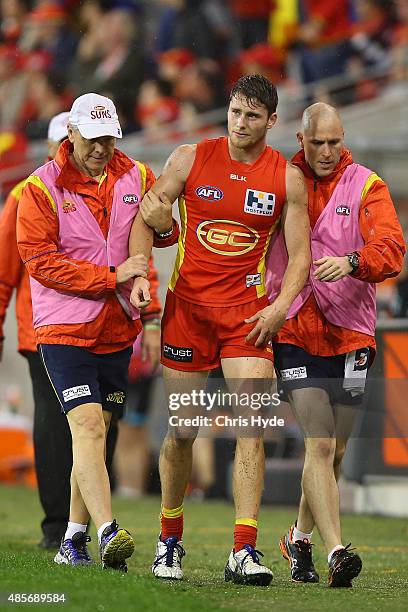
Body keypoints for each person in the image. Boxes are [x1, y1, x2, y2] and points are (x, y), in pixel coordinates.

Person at [132, 74, 311, 584]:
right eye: (235, 111)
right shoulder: (190, 158)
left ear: (272, 122)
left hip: (246, 319)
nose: (240, 123)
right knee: (183, 431)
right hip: (187, 312)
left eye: (252, 116)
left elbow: (301, 256)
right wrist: (142, 272)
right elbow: (149, 215)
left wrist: (279, 307)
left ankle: (244, 550)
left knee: (250, 429)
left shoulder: (285, 178)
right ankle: (169, 542)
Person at [16, 92, 165, 571]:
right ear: (72, 133)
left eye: (109, 138)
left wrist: (147, 296)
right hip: (62, 327)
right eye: (93, 138)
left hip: (117, 329)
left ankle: (72, 540)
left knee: (99, 430)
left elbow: (158, 236)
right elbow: (40, 263)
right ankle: (108, 531)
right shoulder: (39, 189)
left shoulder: (138, 176)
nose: (101, 148)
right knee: (84, 422)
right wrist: (111, 276)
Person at [267, 102, 406, 588]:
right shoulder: (280, 180)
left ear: (343, 138)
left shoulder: (368, 185)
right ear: (301, 141)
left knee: (334, 453)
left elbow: (392, 249)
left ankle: (298, 537)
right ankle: (336, 551)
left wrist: (351, 262)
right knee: (320, 442)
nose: (326, 152)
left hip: (350, 331)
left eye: (334, 142)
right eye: (316, 143)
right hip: (296, 327)